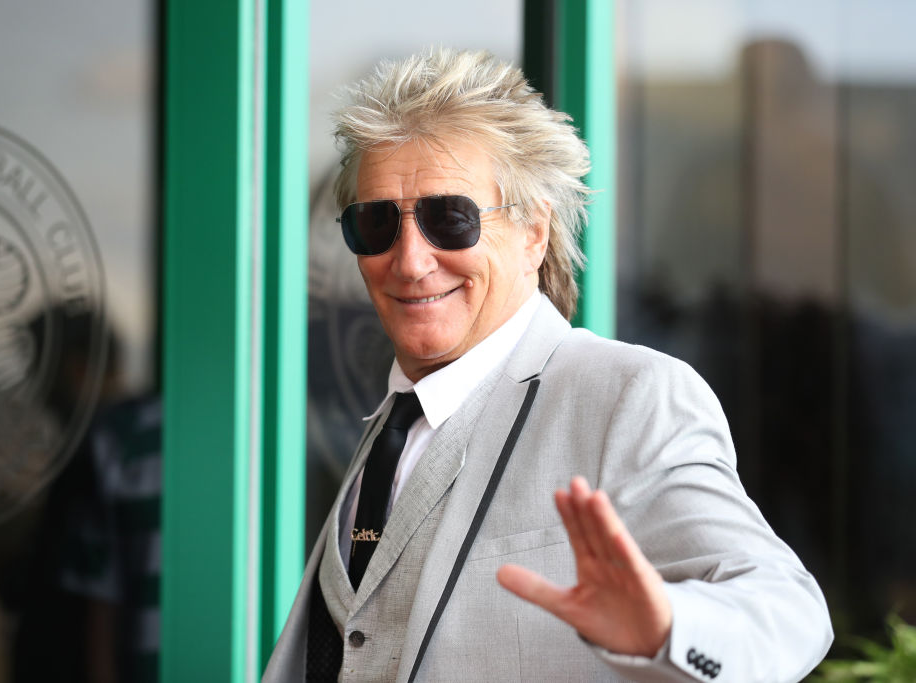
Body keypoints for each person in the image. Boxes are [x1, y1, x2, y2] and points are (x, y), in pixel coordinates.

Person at [265, 48, 832, 682]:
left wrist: (668, 626)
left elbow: (787, 608)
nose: (410, 261)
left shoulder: (627, 396)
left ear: (535, 232)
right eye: (376, 224)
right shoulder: (395, 422)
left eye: (449, 219)